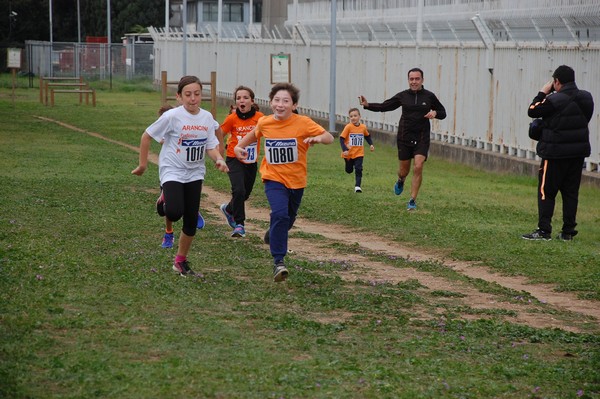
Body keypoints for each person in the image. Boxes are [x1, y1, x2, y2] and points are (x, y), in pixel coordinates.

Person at [233, 83, 334, 282]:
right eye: (276, 100)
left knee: (287, 219)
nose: (280, 105)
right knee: (279, 213)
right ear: (270, 103)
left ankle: (273, 232)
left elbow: (329, 137)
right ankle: (278, 262)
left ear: (294, 105)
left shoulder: (303, 122)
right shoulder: (265, 123)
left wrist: (318, 138)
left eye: (285, 101)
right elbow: (253, 135)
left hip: (297, 181)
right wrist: (238, 147)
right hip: (273, 178)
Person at [132, 76, 229, 276]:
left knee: (191, 220)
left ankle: (180, 261)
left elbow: (211, 146)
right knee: (175, 212)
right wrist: (142, 165)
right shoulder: (172, 116)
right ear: (179, 97)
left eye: (197, 94)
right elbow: (147, 136)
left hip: (195, 172)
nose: (193, 99)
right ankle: (164, 200)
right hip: (172, 169)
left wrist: (218, 158)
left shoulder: (207, 118)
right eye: (188, 94)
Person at [522, 65, 594, 241]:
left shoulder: (554, 100)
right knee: (570, 192)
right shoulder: (586, 98)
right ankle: (568, 232)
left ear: (556, 82)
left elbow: (532, 110)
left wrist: (542, 93)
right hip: (577, 154)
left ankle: (544, 230)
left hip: (554, 153)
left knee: (546, 191)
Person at [359, 67, 446, 211]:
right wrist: (368, 105)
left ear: (422, 80)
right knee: (403, 171)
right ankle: (401, 180)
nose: (414, 82)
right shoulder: (403, 96)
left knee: (418, 166)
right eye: (411, 79)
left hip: (422, 137)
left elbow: (443, 113)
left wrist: (435, 112)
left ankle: (412, 200)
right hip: (404, 138)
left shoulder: (429, 96)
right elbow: (384, 106)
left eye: (417, 79)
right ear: (408, 80)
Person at [154, 103, 206, 249]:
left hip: (191, 172)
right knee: (172, 211)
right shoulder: (165, 129)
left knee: (188, 200)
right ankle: (168, 233)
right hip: (170, 171)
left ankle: (193, 210)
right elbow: (160, 139)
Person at [219, 86, 264, 238]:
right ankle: (239, 225)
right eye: (238, 98)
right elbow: (219, 134)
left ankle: (229, 209)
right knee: (238, 190)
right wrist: (219, 155)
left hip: (251, 161)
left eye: (245, 98)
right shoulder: (231, 119)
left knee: (244, 194)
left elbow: (271, 132)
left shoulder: (260, 118)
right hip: (234, 158)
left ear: (252, 100)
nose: (241, 100)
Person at [339, 107, 374, 193]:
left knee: (358, 168)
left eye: (355, 115)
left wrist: (371, 144)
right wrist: (344, 149)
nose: (353, 118)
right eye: (351, 116)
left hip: (359, 153)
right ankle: (347, 163)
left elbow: (367, 136)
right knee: (349, 170)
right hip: (348, 153)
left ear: (359, 116)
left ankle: (357, 186)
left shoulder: (363, 127)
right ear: (349, 118)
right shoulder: (348, 127)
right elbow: (341, 138)